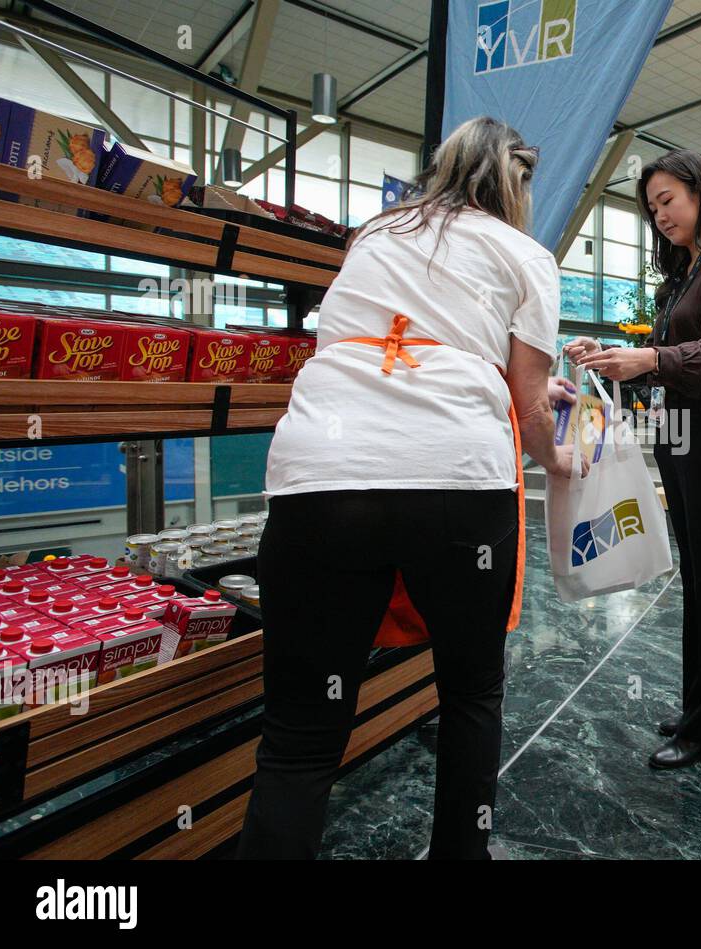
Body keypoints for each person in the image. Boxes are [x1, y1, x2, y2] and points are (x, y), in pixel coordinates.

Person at [238, 116, 579, 860]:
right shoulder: (525, 252)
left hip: (320, 477)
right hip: (455, 475)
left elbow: (400, 335)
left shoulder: (374, 234)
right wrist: (559, 459)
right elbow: (528, 406)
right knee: (470, 693)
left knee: (299, 737)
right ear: (515, 183)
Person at [564, 149, 701, 770]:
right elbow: (670, 355)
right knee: (698, 584)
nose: (660, 215)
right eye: (651, 208)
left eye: (668, 200)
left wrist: (648, 360)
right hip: (682, 440)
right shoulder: (682, 270)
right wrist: (619, 355)